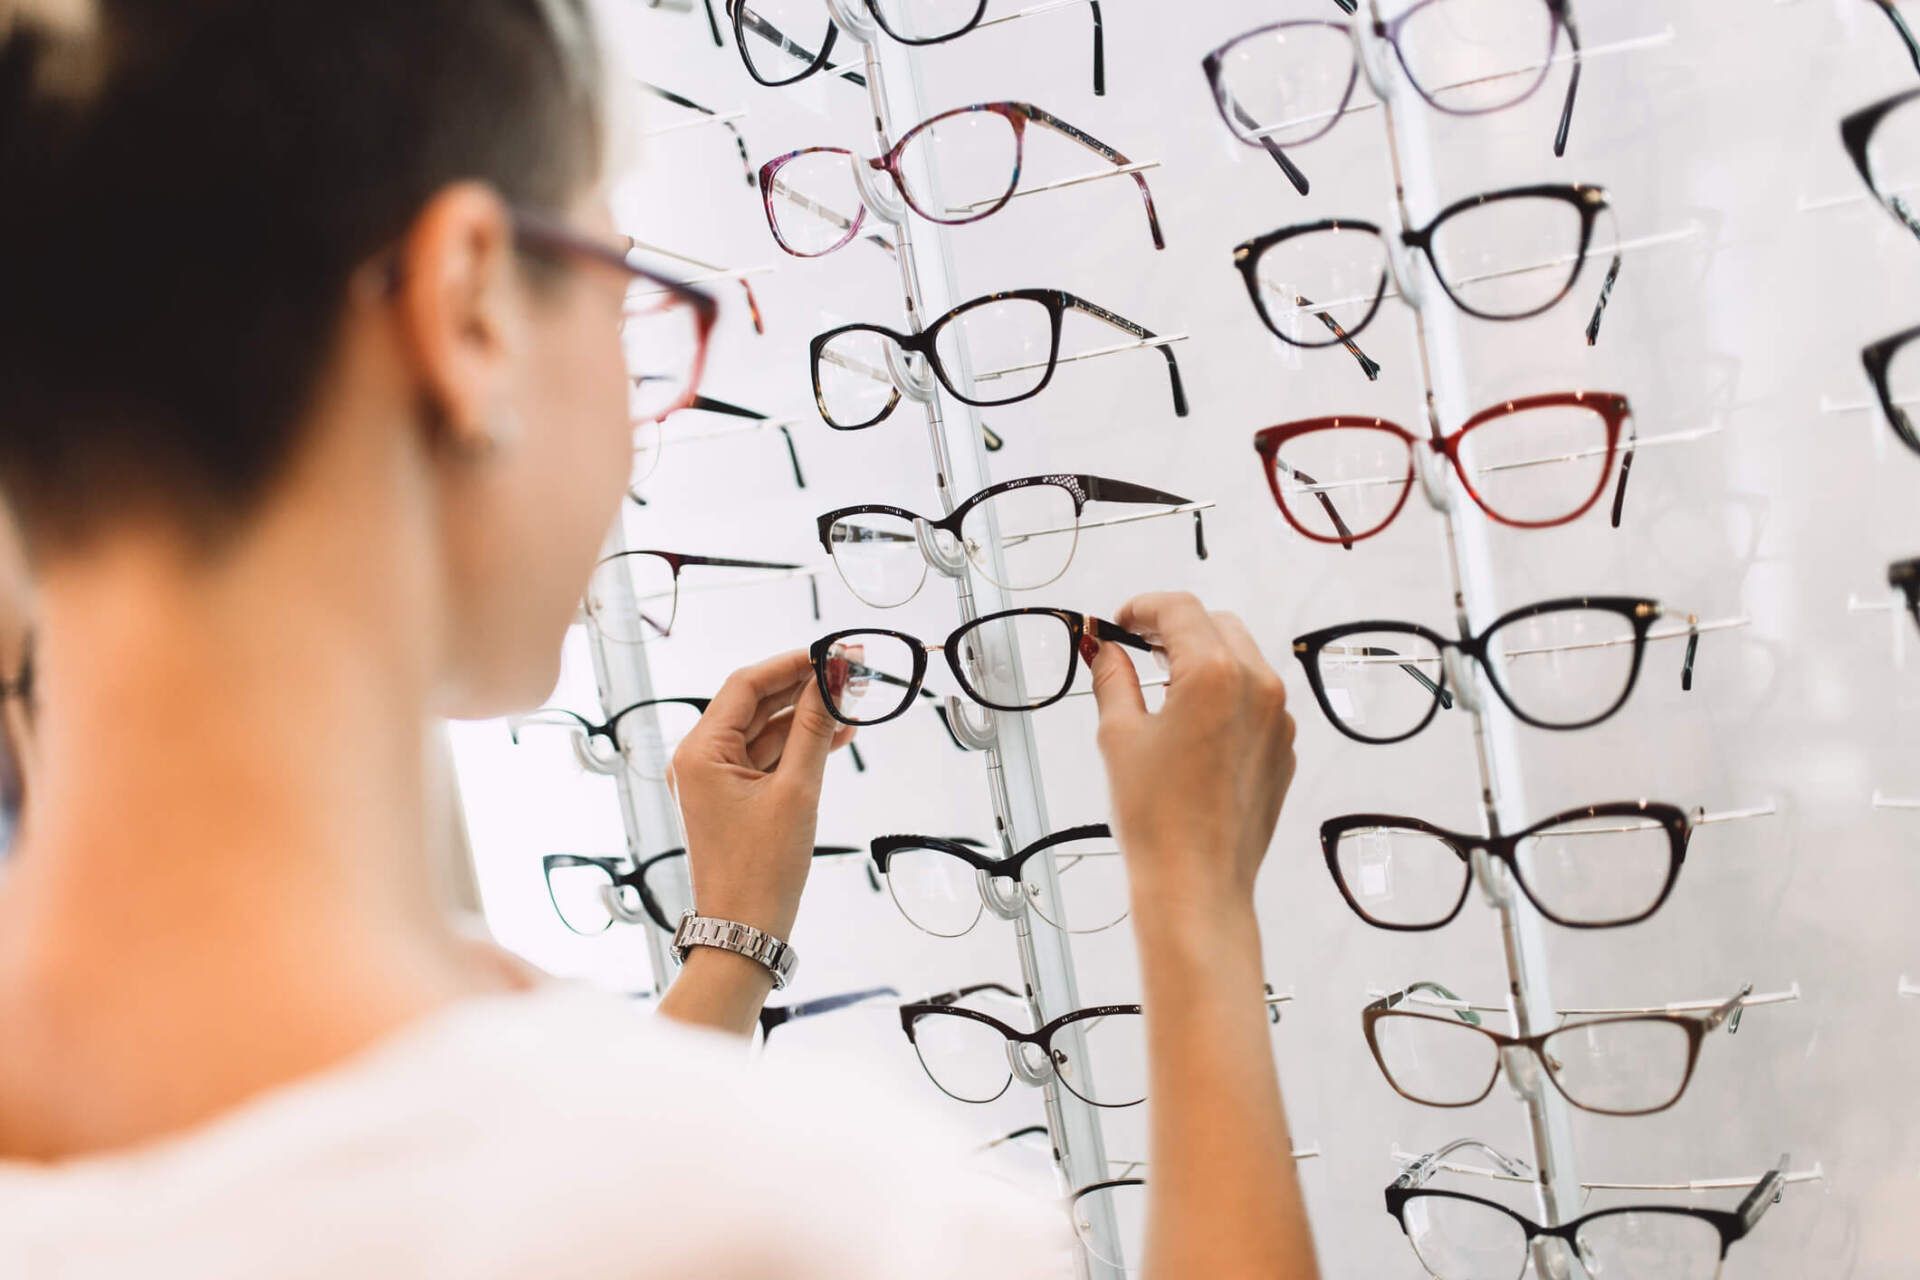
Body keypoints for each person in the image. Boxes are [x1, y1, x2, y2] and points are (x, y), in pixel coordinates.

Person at [0, 2, 1317, 1277]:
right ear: (470, 315)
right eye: (622, 291)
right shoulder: (804, 1221)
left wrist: (726, 953)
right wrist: (1196, 912)